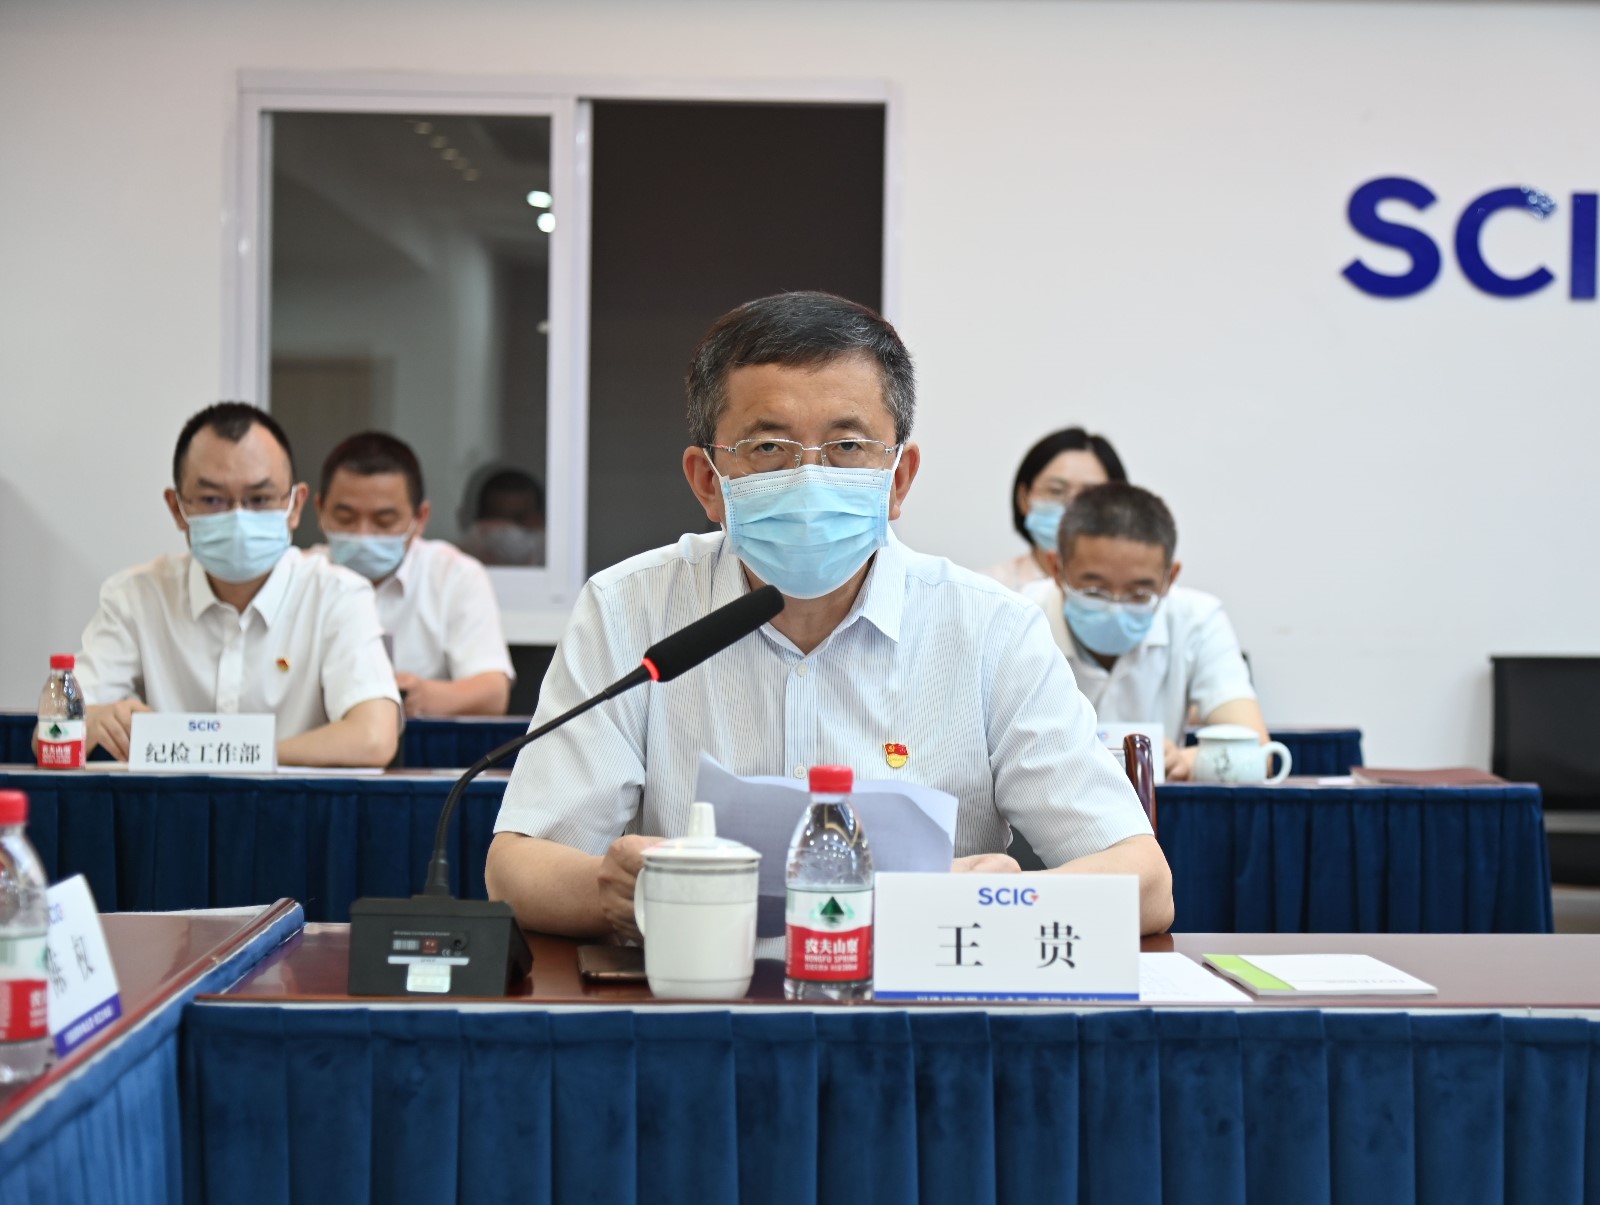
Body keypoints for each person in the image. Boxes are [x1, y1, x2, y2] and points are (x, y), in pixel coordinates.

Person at [487, 292, 1172, 940]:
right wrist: (613, 890)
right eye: (769, 448)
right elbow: (517, 868)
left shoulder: (992, 629)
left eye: (846, 447)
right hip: (696, 993)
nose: (810, 479)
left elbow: (1145, 884)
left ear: (899, 479)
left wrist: (993, 902)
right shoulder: (628, 608)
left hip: (921, 999)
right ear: (707, 482)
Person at [73, 403, 402, 767]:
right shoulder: (135, 596)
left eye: (259, 499)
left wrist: (230, 757)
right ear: (177, 508)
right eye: (212, 499)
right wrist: (96, 719)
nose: (238, 518)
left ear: (295, 506)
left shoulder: (338, 596)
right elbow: (56, 727)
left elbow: (374, 738)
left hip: (292, 803)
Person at [1023, 482, 1266, 782]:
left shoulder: (1197, 620)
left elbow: (1258, 751)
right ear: (1057, 569)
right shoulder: (1019, 619)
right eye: (1094, 590)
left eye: (1138, 593)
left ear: (1169, 579)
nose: (1115, 607)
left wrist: (1188, 760)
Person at [313, 432, 515, 717]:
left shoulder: (454, 576)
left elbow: (493, 693)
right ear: (320, 510)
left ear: (420, 518)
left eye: (384, 521)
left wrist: (420, 695)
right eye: (346, 518)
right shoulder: (300, 577)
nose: (363, 534)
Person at [982, 428, 1127, 591]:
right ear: (1024, 499)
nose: (1072, 508)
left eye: (1090, 495)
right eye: (1056, 491)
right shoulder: (987, 591)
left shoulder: (1136, 592)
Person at [458, 466, 546, 566]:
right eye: (498, 518)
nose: (507, 528)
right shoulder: (461, 563)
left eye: (519, 518)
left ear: (540, 520)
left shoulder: (554, 561)